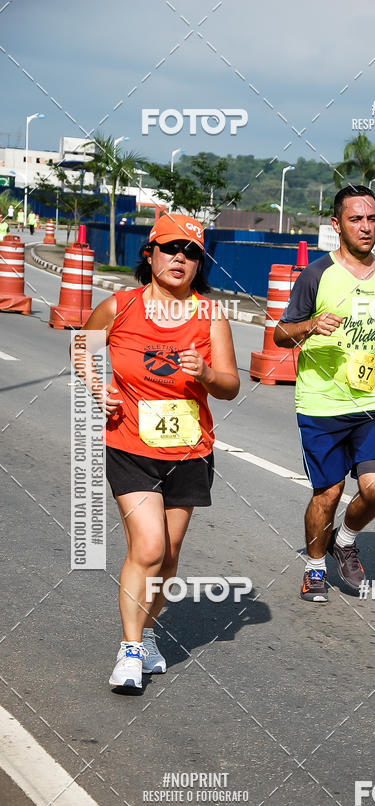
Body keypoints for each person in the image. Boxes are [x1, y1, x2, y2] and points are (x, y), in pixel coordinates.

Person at [72, 213, 240, 690]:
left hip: (189, 450)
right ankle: (128, 650)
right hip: (129, 443)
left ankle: (145, 635)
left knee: (168, 556)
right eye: (170, 249)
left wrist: (206, 374)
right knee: (146, 546)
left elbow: (230, 385)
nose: (179, 259)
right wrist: (95, 385)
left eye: (190, 253)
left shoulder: (211, 315)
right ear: (150, 255)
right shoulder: (120, 306)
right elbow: (81, 345)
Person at [273, 185, 375, 603]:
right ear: (337, 224)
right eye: (356, 219)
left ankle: (346, 538)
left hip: (370, 401)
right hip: (320, 404)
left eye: (372, 218)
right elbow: (281, 334)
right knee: (329, 492)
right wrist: (310, 325)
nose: (366, 227)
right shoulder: (317, 275)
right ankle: (315, 567)